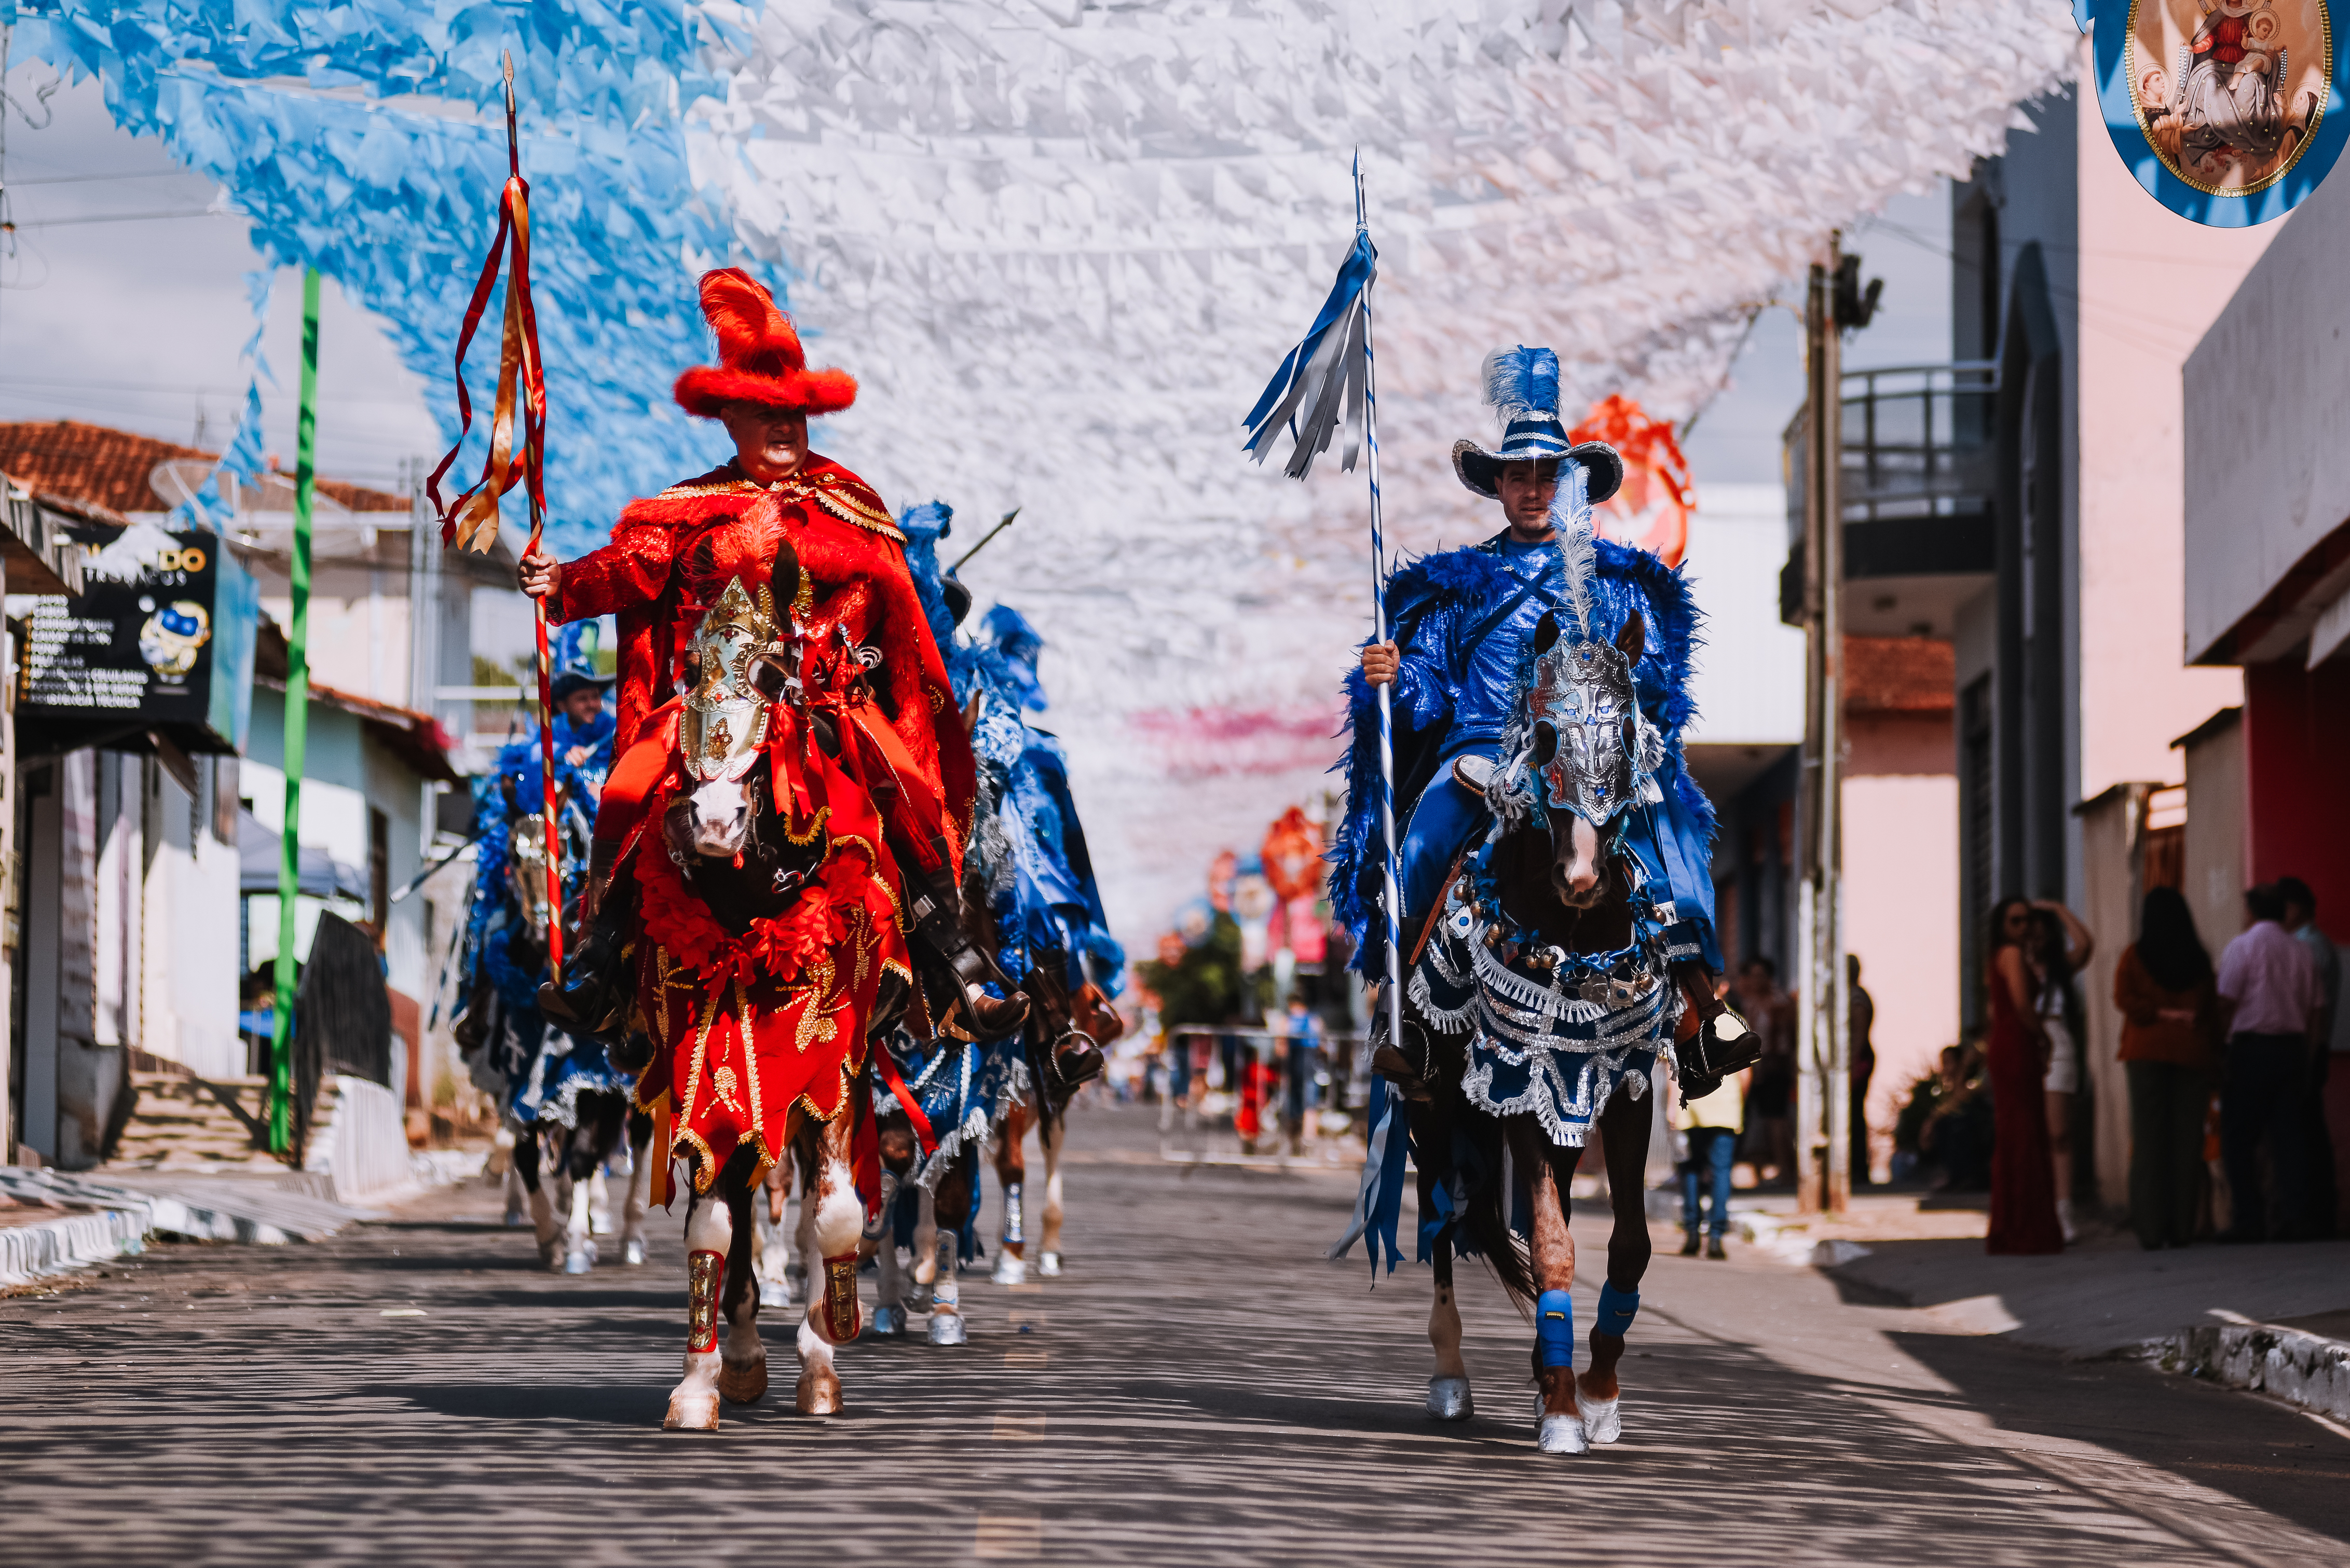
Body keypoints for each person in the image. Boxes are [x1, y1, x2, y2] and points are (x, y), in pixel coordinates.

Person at [2214, 882, 2325, 1241]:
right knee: (2289, 1137)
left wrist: (2219, 1045)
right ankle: (2293, 1216)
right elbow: (2316, 1011)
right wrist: (2307, 1054)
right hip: (2291, 1050)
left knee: (2239, 1137)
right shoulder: (2302, 951)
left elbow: (2227, 1000)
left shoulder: (2242, 946)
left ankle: (2249, 1218)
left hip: (2250, 1049)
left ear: (2251, 911)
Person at [2113, 886, 2219, 1249]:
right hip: (2191, 1055)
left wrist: (2157, 1013)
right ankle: (2181, 1228)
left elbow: (2123, 999)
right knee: (2187, 1142)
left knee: (2148, 1141)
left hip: (2145, 1054)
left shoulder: (2135, 956)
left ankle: (2149, 1227)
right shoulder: (2199, 960)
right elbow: (2209, 1012)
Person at [1984, 896, 2063, 1253]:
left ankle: (2014, 1224)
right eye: (2016, 921)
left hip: (2008, 1043)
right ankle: (2024, 1227)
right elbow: (2020, 1005)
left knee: (2018, 1131)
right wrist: (2044, 1037)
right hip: (2017, 1043)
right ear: (2003, 925)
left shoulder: (2002, 956)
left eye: (2028, 920)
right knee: (2023, 1133)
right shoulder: (2012, 955)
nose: (2024, 927)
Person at [2277, 876, 2340, 1237]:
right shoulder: (2313, 945)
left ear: (2296, 908)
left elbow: (2306, 1005)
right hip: (2312, 1047)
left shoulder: (2309, 948)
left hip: (2307, 1048)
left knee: (2304, 1131)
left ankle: (2311, 1213)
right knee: (2308, 1129)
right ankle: (2314, 1211)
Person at [2028, 900, 2094, 1241]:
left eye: (2041, 937)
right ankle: (2035, 1209)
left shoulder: (2059, 968)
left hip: (2057, 1043)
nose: (2035, 944)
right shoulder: (2015, 967)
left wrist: (2058, 909)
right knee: (2030, 1133)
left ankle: (2063, 1211)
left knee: (2058, 1133)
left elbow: (2085, 944)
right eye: (2030, 937)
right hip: (2027, 1044)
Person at [1674, 1060, 1747, 1259]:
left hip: (1689, 1106)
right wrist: (1738, 1103)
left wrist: (1671, 1108)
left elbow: (1671, 1067)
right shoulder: (1737, 1026)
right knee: (1722, 1171)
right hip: (1726, 1109)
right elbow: (1745, 1074)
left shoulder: (1683, 1026)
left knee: (1690, 1169)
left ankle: (1692, 1235)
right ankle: (1716, 1238)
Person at [1739, 958, 1797, 1186]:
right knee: (1756, 1121)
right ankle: (1761, 1172)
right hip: (1752, 1068)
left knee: (1776, 1119)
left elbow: (1790, 1036)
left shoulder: (1779, 1002)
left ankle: (1787, 1170)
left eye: (1761, 975)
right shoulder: (1748, 1003)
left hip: (1774, 1067)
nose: (1756, 980)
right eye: (1752, 975)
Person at [1847, 953, 1875, 1189]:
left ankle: (1859, 1168)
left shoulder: (1856, 997)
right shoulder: (1852, 995)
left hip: (1858, 1060)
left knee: (1854, 1114)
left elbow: (1859, 1033)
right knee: (1852, 1113)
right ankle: (1856, 1166)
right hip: (1855, 1059)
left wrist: (1853, 1063)